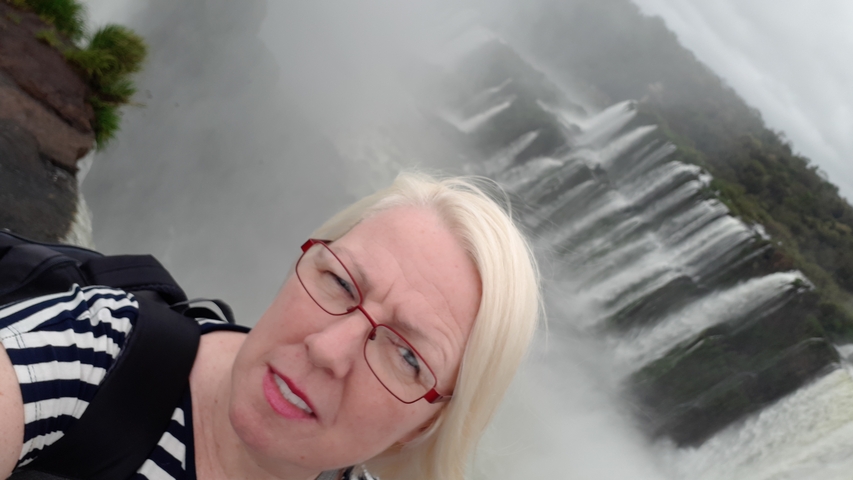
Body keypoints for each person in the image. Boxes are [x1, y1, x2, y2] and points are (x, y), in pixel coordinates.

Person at [0, 172, 542, 480]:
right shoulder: (102, 350)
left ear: (426, 425)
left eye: (406, 357)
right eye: (341, 283)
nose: (331, 349)